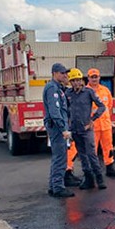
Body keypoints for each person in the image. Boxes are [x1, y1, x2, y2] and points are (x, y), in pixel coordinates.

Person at [65, 68, 107, 190]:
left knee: (91, 154)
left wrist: (92, 120)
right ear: (70, 82)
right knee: (82, 156)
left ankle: (99, 179)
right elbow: (65, 110)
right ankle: (88, 179)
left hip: (86, 130)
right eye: (73, 81)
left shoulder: (88, 92)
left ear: (81, 80)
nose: (76, 83)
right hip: (75, 130)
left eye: (78, 80)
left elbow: (102, 107)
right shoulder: (68, 94)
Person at [43, 63, 74, 198]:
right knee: (60, 158)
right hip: (56, 127)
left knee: (58, 157)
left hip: (57, 126)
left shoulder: (58, 88)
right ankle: (58, 187)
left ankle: (53, 186)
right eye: (62, 73)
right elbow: (55, 111)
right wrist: (63, 128)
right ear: (55, 73)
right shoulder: (52, 88)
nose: (65, 75)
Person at [87, 68, 115, 178]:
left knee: (108, 147)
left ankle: (109, 167)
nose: (94, 79)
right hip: (93, 126)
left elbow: (110, 106)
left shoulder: (105, 90)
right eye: (92, 77)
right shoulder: (85, 91)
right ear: (88, 78)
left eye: (96, 77)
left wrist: (107, 119)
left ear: (99, 77)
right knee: (92, 150)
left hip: (105, 125)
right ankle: (92, 171)